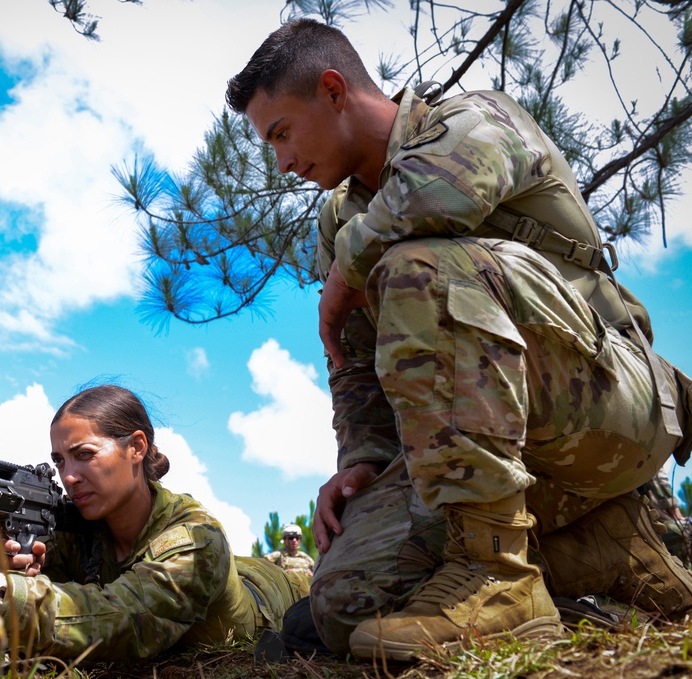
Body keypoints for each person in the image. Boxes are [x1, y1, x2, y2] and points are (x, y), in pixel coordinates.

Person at [225, 18, 692, 660]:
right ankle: (604, 545)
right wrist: (360, 457)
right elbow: (354, 361)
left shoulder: (473, 121)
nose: (280, 160)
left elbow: (434, 198)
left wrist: (345, 271)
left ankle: (502, 580)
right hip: (496, 452)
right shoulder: (341, 216)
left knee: (419, 269)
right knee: (340, 605)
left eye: (281, 132)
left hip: (609, 403)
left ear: (333, 89)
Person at [0, 385, 310, 661]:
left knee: (306, 588)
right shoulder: (76, 525)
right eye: (60, 460)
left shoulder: (196, 538)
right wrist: (18, 572)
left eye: (84, 454)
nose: (68, 476)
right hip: (203, 570)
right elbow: (51, 605)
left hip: (268, 588)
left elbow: (127, 618)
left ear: (136, 448)